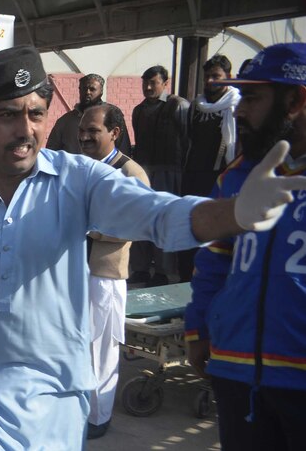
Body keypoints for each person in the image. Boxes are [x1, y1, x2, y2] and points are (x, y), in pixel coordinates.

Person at [0, 44, 306, 450]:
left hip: (60, 395)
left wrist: (233, 214)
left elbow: (157, 215)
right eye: (8, 115)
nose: (25, 129)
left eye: (36, 114)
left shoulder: (79, 180)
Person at [185, 42, 306, 451]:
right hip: (236, 370)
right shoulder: (237, 176)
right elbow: (215, 260)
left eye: (252, 98)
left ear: (295, 100)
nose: (238, 109)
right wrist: (199, 326)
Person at [78, 103, 150, 439]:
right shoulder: (82, 168)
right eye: (83, 130)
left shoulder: (131, 173)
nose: (85, 137)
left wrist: (88, 229)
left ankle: (98, 417)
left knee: (102, 349)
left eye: (93, 130)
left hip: (104, 275)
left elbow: (138, 222)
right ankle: (78, 409)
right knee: (77, 345)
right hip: (73, 274)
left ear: (114, 133)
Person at [180, 55, 241, 281]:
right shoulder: (196, 106)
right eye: (207, 76)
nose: (210, 81)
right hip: (194, 175)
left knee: (215, 232)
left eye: (216, 76)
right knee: (190, 226)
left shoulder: (236, 106)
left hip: (220, 177)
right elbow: (188, 140)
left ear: (229, 78)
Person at [130, 65, 190, 286]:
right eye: (145, 82)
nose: (147, 87)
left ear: (165, 83)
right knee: (141, 220)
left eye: (153, 82)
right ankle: (140, 269)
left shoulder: (179, 106)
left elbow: (187, 141)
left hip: (169, 171)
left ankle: (163, 271)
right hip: (143, 171)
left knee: (164, 220)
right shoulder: (139, 110)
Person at [46, 74, 132, 155]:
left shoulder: (112, 115)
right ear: (79, 90)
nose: (88, 92)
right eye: (84, 88)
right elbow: (51, 151)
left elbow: (124, 149)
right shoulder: (65, 121)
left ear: (101, 92)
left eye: (92, 89)